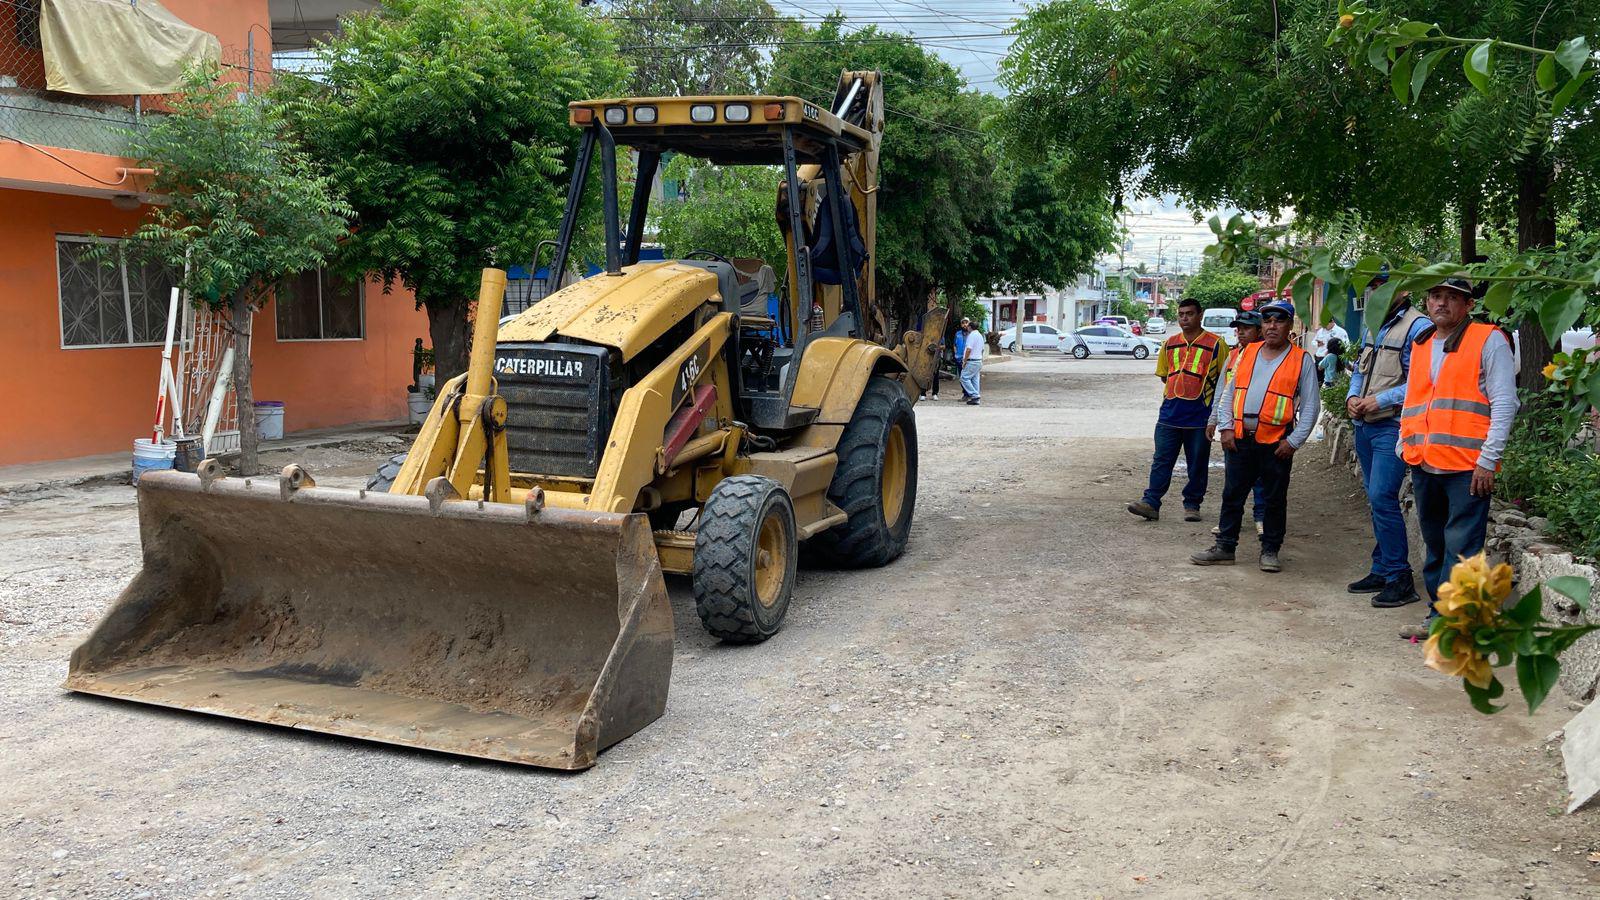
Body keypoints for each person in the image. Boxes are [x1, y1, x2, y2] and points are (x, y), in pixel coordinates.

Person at [1395, 278, 1519, 640]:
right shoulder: (1421, 344)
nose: (1442, 303)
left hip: (1468, 465)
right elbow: (1413, 400)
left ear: (1467, 305)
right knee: (1435, 544)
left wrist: (1488, 458)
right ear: (1427, 302)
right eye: (1436, 296)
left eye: (1452, 298)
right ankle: (1439, 614)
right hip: (1425, 461)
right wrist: (1404, 443)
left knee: (1461, 548)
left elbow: (1504, 402)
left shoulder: (1488, 339)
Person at [1191, 301, 1321, 572]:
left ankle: (1270, 551)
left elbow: (1310, 405)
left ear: (1290, 325)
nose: (1272, 326)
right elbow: (1229, 392)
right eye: (1267, 320)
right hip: (1240, 438)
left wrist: (1294, 441)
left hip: (1277, 443)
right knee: (1232, 494)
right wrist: (1226, 427)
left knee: (1274, 498)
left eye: (1279, 320)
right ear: (1262, 326)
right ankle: (1225, 546)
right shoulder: (1247, 353)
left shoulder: (1301, 359)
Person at [1344, 281, 1430, 609]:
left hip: (1393, 426)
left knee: (1382, 496)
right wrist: (1354, 396)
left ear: (1404, 290)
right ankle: (1381, 568)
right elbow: (1358, 370)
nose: (1374, 292)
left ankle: (1399, 577)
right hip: (1365, 425)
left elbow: (1422, 382)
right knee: (1375, 498)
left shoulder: (1418, 326)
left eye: (1383, 286)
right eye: (1372, 287)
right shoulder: (1373, 323)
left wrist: (1378, 399)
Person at [1128, 297, 1227, 523]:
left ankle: (1192, 505)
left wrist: (1214, 416)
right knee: (1162, 460)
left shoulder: (1216, 344)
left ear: (1200, 315)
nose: (1185, 318)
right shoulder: (1170, 343)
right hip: (1169, 413)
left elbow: (1223, 381)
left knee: (1198, 462)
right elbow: (1165, 375)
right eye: (1181, 314)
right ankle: (1151, 502)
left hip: (1200, 415)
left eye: (1190, 314)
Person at [1209, 310, 1265, 537]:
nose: (1240, 332)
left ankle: (1261, 518)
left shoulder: (1269, 356)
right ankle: (1230, 522)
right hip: (1234, 426)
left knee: (1262, 478)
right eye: (1238, 328)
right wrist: (1215, 420)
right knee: (1234, 480)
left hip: (1262, 427)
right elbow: (1221, 391)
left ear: (1259, 331)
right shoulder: (1233, 356)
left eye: (1247, 328)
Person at [960, 318, 985, 405]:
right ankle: (976, 398)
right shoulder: (980, 335)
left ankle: (975, 395)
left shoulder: (971, 335)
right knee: (975, 379)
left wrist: (964, 360)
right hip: (978, 360)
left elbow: (968, 349)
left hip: (972, 360)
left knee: (964, 378)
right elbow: (982, 349)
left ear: (970, 327)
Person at [953, 321, 970, 400]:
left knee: (968, 377)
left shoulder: (971, 334)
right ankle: (965, 393)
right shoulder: (957, 334)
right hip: (959, 358)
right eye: (963, 323)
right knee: (961, 377)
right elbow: (954, 345)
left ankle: (969, 393)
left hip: (969, 359)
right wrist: (956, 353)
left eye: (966, 323)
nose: (965, 325)